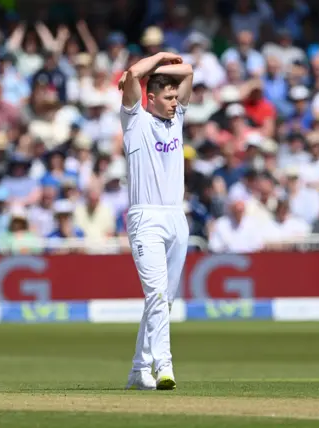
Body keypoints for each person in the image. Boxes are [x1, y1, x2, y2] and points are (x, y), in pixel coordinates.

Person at [117, 51, 193, 391]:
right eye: (168, 97)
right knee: (157, 296)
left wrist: (167, 69)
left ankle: (137, 370)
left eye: (176, 97)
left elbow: (188, 70)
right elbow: (132, 74)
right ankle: (164, 366)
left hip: (176, 216)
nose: (175, 102)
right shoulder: (136, 120)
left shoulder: (177, 121)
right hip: (145, 215)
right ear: (150, 98)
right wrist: (161, 56)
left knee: (164, 299)